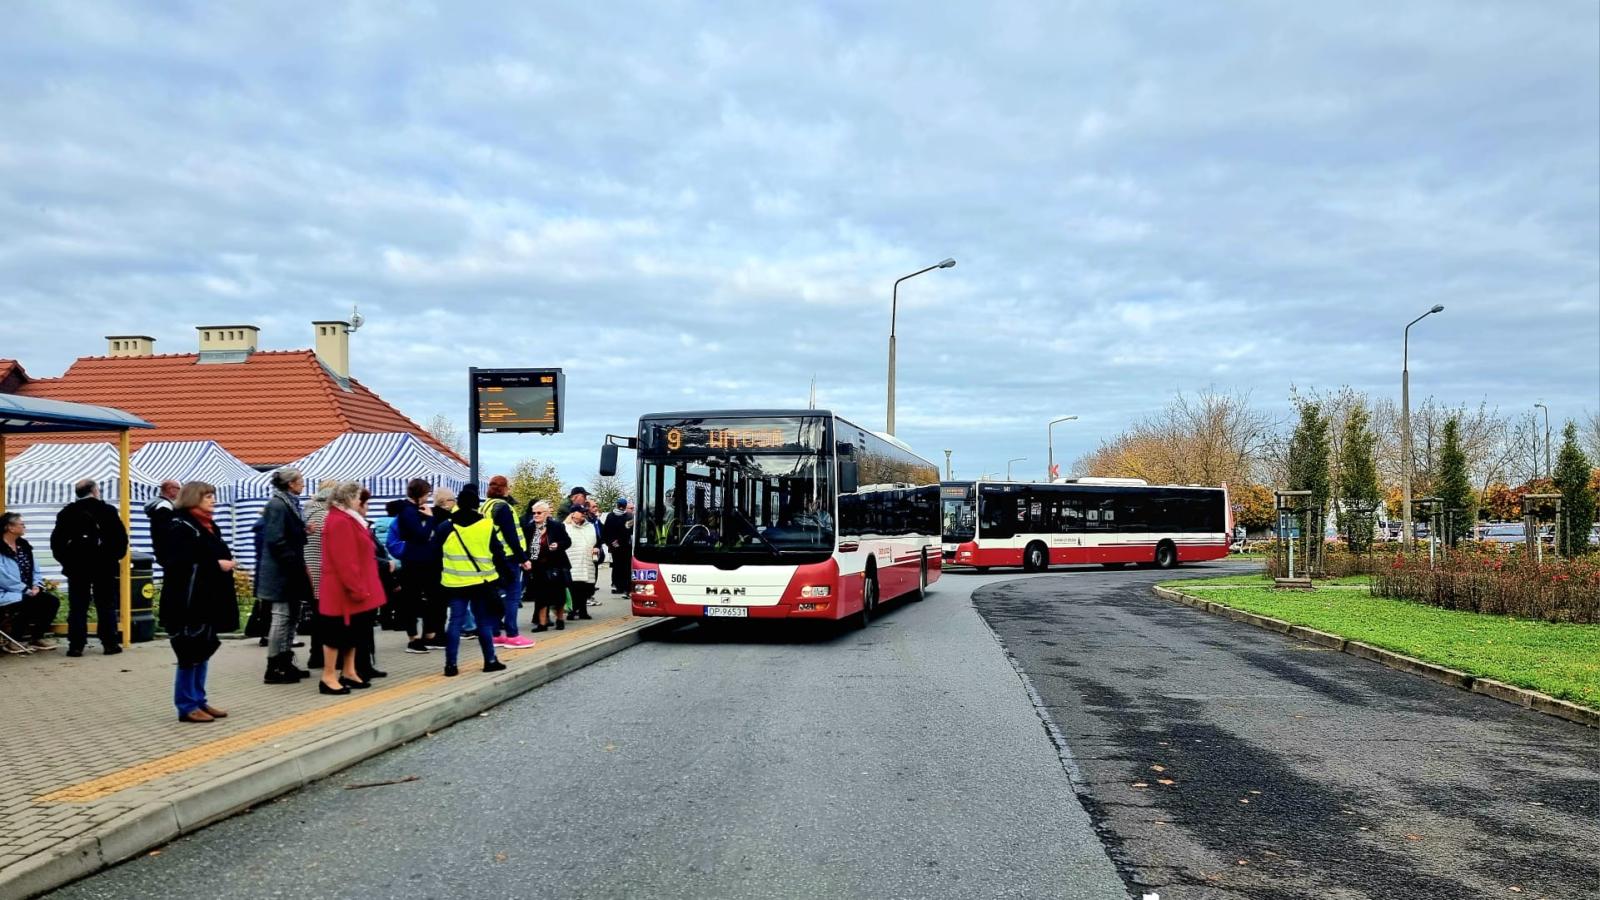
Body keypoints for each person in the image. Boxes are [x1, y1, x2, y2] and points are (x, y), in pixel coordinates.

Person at [157, 482, 237, 722]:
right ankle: (186, 705)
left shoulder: (209, 525)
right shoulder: (180, 525)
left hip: (208, 598)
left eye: (213, 496)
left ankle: (199, 699)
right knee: (188, 652)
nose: (213, 501)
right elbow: (179, 563)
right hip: (187, 600)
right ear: (193, 498)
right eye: (208, 497)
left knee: (203, 649)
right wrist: (216, 565)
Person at [315, 482, 386, 695]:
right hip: (342, 589)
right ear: (347, 498)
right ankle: (328, 676)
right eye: (357, 497)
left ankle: (349, 670)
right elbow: (345, 560)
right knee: (335, 633)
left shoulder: (348, 519)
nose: (360, 501)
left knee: (354, 631)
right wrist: (356, 587)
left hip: (354, 585)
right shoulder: (340, 521)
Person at [433, 484, 508, 676]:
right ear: (476, 505)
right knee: (482, 622)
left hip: (455, 583)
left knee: (455, 623)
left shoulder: (446, 527)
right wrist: (505, 575)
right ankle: (490, 661)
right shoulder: (486, 525)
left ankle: (451, 666)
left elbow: (434, 554)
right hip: (481, 583)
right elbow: (497, 552)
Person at [51, 478, 128, 657]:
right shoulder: (107, 510)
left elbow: (56, 542)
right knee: (106, 604)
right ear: (94, 490)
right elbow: (121, 538)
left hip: (77, 566)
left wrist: (67, 561)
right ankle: (110, 643)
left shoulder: (66, 513)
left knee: (78, 605)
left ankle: (76, 646)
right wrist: (114, 557)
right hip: (104, 565)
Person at [258, 467, 313, 684]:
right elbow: (275, 539)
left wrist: (302, 531)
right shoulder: (278, 504)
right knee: (281, 617)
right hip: (282, 571)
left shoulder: (289, 503)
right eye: (300, 480)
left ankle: (285, 660)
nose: (303, 483)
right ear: (290, 483)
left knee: (291, 617)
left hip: (290, 568)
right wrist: (292, 561)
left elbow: (286, 534)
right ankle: (275, 665)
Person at [482, 475, 534, 649]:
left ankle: (495, 633)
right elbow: (510, 535)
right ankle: (512, 634)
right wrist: (523, 558)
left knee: (498, 595)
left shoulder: (486, 506)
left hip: (492, 556)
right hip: (508, 556)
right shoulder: (504, 507)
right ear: (504, 488)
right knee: (512, 596)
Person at [393, 478, 445, 653]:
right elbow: (421, 536)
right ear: (420, 494)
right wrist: (430, 519)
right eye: (427, 494)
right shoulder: (407, 512)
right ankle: (413, 639)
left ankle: (429, 635)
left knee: (433, 598)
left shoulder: (414, 510)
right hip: (413, 560)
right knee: (412, 600)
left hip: (425, 560)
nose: (428, 498)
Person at [0, 512, 60, 652]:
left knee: (51, 602)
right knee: (28, 602)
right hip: (5, 592)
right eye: (21, 524)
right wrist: (25, 590)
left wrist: (36, 585)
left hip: (27, 590)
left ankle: (37, 637)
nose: (24, 527)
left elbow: (35, 568)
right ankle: (15, 640)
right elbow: (3, 577)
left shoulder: (24, 546)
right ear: (10, 527)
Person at [302, 480, 338, 668]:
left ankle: (315, 655)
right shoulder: (325, 515)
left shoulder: (306, 512)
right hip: (323, 573)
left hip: (309, 571)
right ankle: (321, 655)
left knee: (317, 616)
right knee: (326, 618)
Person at [523, 500, 571, 631]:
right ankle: (542, 623)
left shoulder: (556, 526)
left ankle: (560, 619)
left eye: (539, 513)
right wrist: (525, 560)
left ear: (546, 513)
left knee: (558, 595)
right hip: (538, 566)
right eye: (534, 513)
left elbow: (567, 541)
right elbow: (525, 546)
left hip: (556, 565)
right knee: (540, 596)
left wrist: (558, 545)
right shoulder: (528, 528)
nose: (536, 515)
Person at [564, 506, 600, 620]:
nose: (583, 514)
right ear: (573, 514)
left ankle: (583, 610)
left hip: (587, 560)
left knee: (585, 588)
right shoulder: (565, 527)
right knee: (574, 587)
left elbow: (597, 540)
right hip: (572, 560)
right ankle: (572, 610)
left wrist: (596, 548)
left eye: (584, 512)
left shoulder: (590, 526)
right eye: (580, 512)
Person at [602, 498, 633, 596]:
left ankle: (616, 585)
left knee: (616, 565)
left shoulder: (610, 516)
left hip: (614, 546)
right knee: (626, 566)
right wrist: (619, 541)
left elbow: (606, 530)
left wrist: (611, 542)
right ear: (624, 506)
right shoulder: (628, 516)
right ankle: (625, 588)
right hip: (625, 546)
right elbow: (628, 531)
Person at [143, 480, 180, 560]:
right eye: (178, 488)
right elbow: (166, 530)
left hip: (161, 548)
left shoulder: (157, 504)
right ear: (170, 489)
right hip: (169, 550)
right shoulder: (164, 506)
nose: (180, 491)